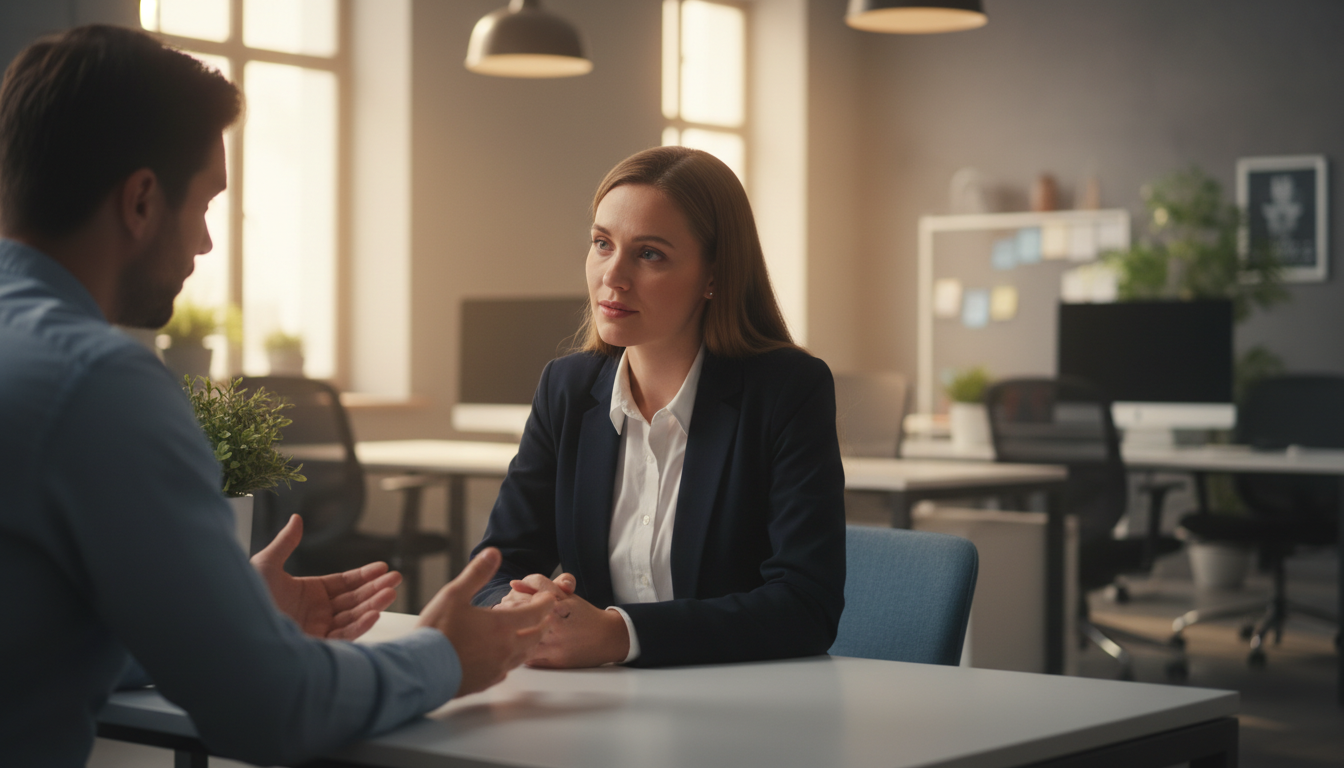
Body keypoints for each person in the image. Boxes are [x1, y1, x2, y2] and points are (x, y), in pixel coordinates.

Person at [0, 25, 551, 766]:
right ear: (140, 200)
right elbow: (271, 709)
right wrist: (443, 654)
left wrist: (224, 616)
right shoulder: (97, 383)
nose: (205, 243)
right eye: (205, 205)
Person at [470, 146, 846, 668]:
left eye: (649, 254)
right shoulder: (567, 388)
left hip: (742, 714)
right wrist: (515, 606)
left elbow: (806, 607)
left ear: (714, 275)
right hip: (594, 707)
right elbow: (493, 567)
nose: (613, 276)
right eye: (602, 243)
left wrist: (618, 635)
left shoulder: (787, 390)